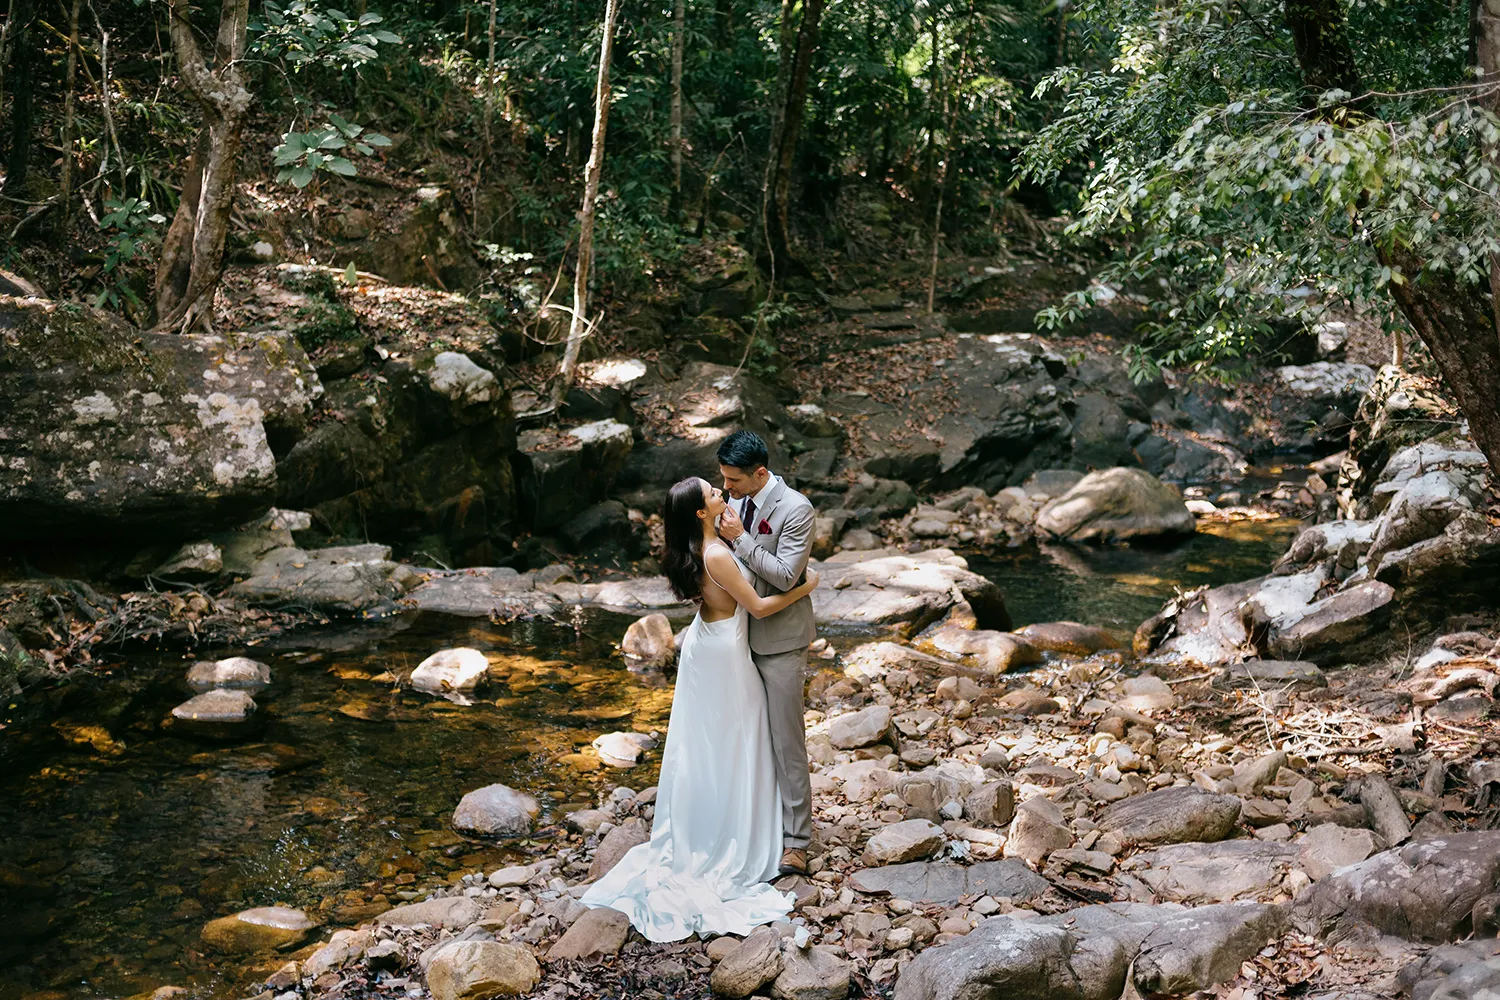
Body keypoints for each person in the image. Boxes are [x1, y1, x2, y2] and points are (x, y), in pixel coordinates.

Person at [579, 476, 821, 942]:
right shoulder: (715, 556)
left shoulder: (698, 548)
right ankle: (731, 836)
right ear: (700, 512)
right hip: (725, 653)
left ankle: (724, 823)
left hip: (710, 646)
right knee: (734, 740)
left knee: (714, 743)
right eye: (713, 494)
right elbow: (759, 607)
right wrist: (806, 585)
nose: (721, 495)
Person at [715, 429, 818, 876]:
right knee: (744, 736)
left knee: (785, 741)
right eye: (723, 479)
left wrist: (739, 538)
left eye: (733, 480)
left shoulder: (796, 509)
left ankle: (796, 842)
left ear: (760, 473)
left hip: (780, 641)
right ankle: (755, 825)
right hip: (734, 637)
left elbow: (783, 576)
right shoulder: (733, 501)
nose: (726, 489)